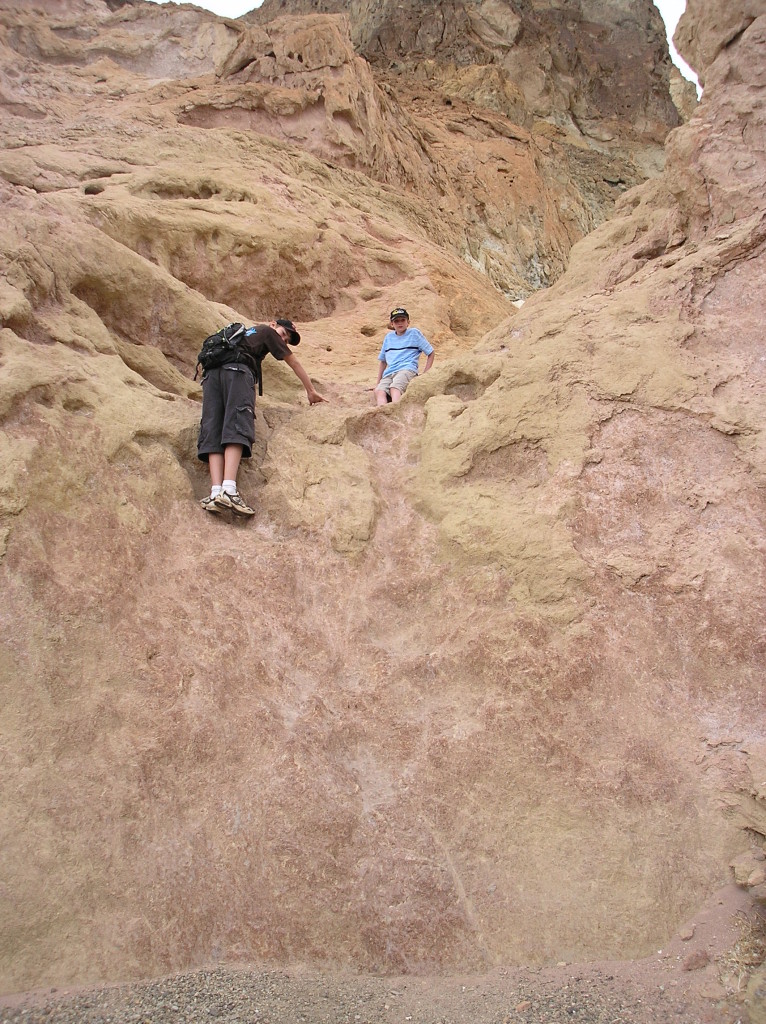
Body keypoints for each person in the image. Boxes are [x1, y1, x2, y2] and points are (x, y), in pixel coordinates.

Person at [197, 318, 326, 516]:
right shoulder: (267, 332)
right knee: (238, 423)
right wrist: (310, 390)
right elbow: (294, 362)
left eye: (287, 339)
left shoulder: (239, 338)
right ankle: (229, 489)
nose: (283, 339)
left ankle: (215, 492)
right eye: (284, 333)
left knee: (212, 428)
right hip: (237, 372)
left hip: (211, 374)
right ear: (274, 325)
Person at [374, 307, 434, 405]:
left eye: (403, 320)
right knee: (379, 391)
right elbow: (383, 361)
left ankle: (395, 411)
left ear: (408, 322)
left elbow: (430, 352)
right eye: (396, 321)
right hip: (390, 372)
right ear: (392, 324)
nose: (400, 323)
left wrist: (426, 374)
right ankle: (383, 413)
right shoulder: (388, 337)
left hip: (407, 369)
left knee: (395, 388)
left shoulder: (414, 333)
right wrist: (378, 383)